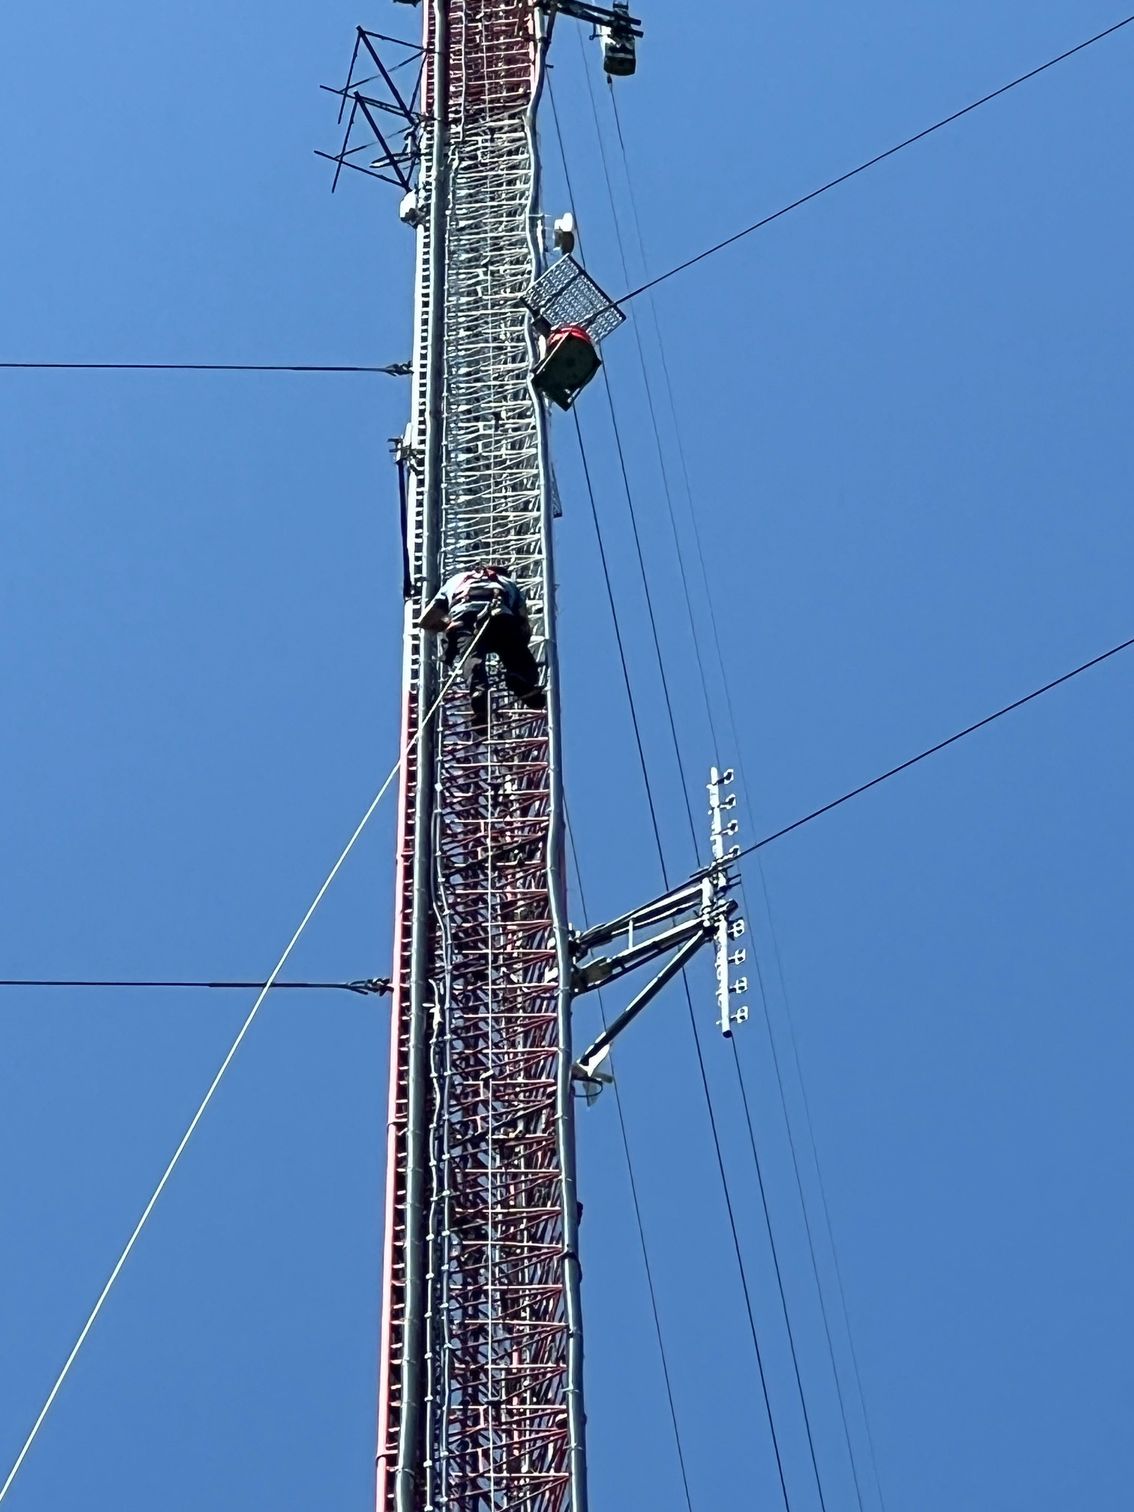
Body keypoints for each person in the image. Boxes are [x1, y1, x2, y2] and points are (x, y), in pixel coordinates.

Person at [416, 564, 546, 733]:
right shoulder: (508, 583)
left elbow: (426, 620)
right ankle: (522, 679)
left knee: (472, 661)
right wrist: (519, 645)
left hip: (464, 621)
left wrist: (447, 623)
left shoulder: (455, 581)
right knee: (517, 654)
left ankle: (479, 700)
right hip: (499, 618)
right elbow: (523, 624)